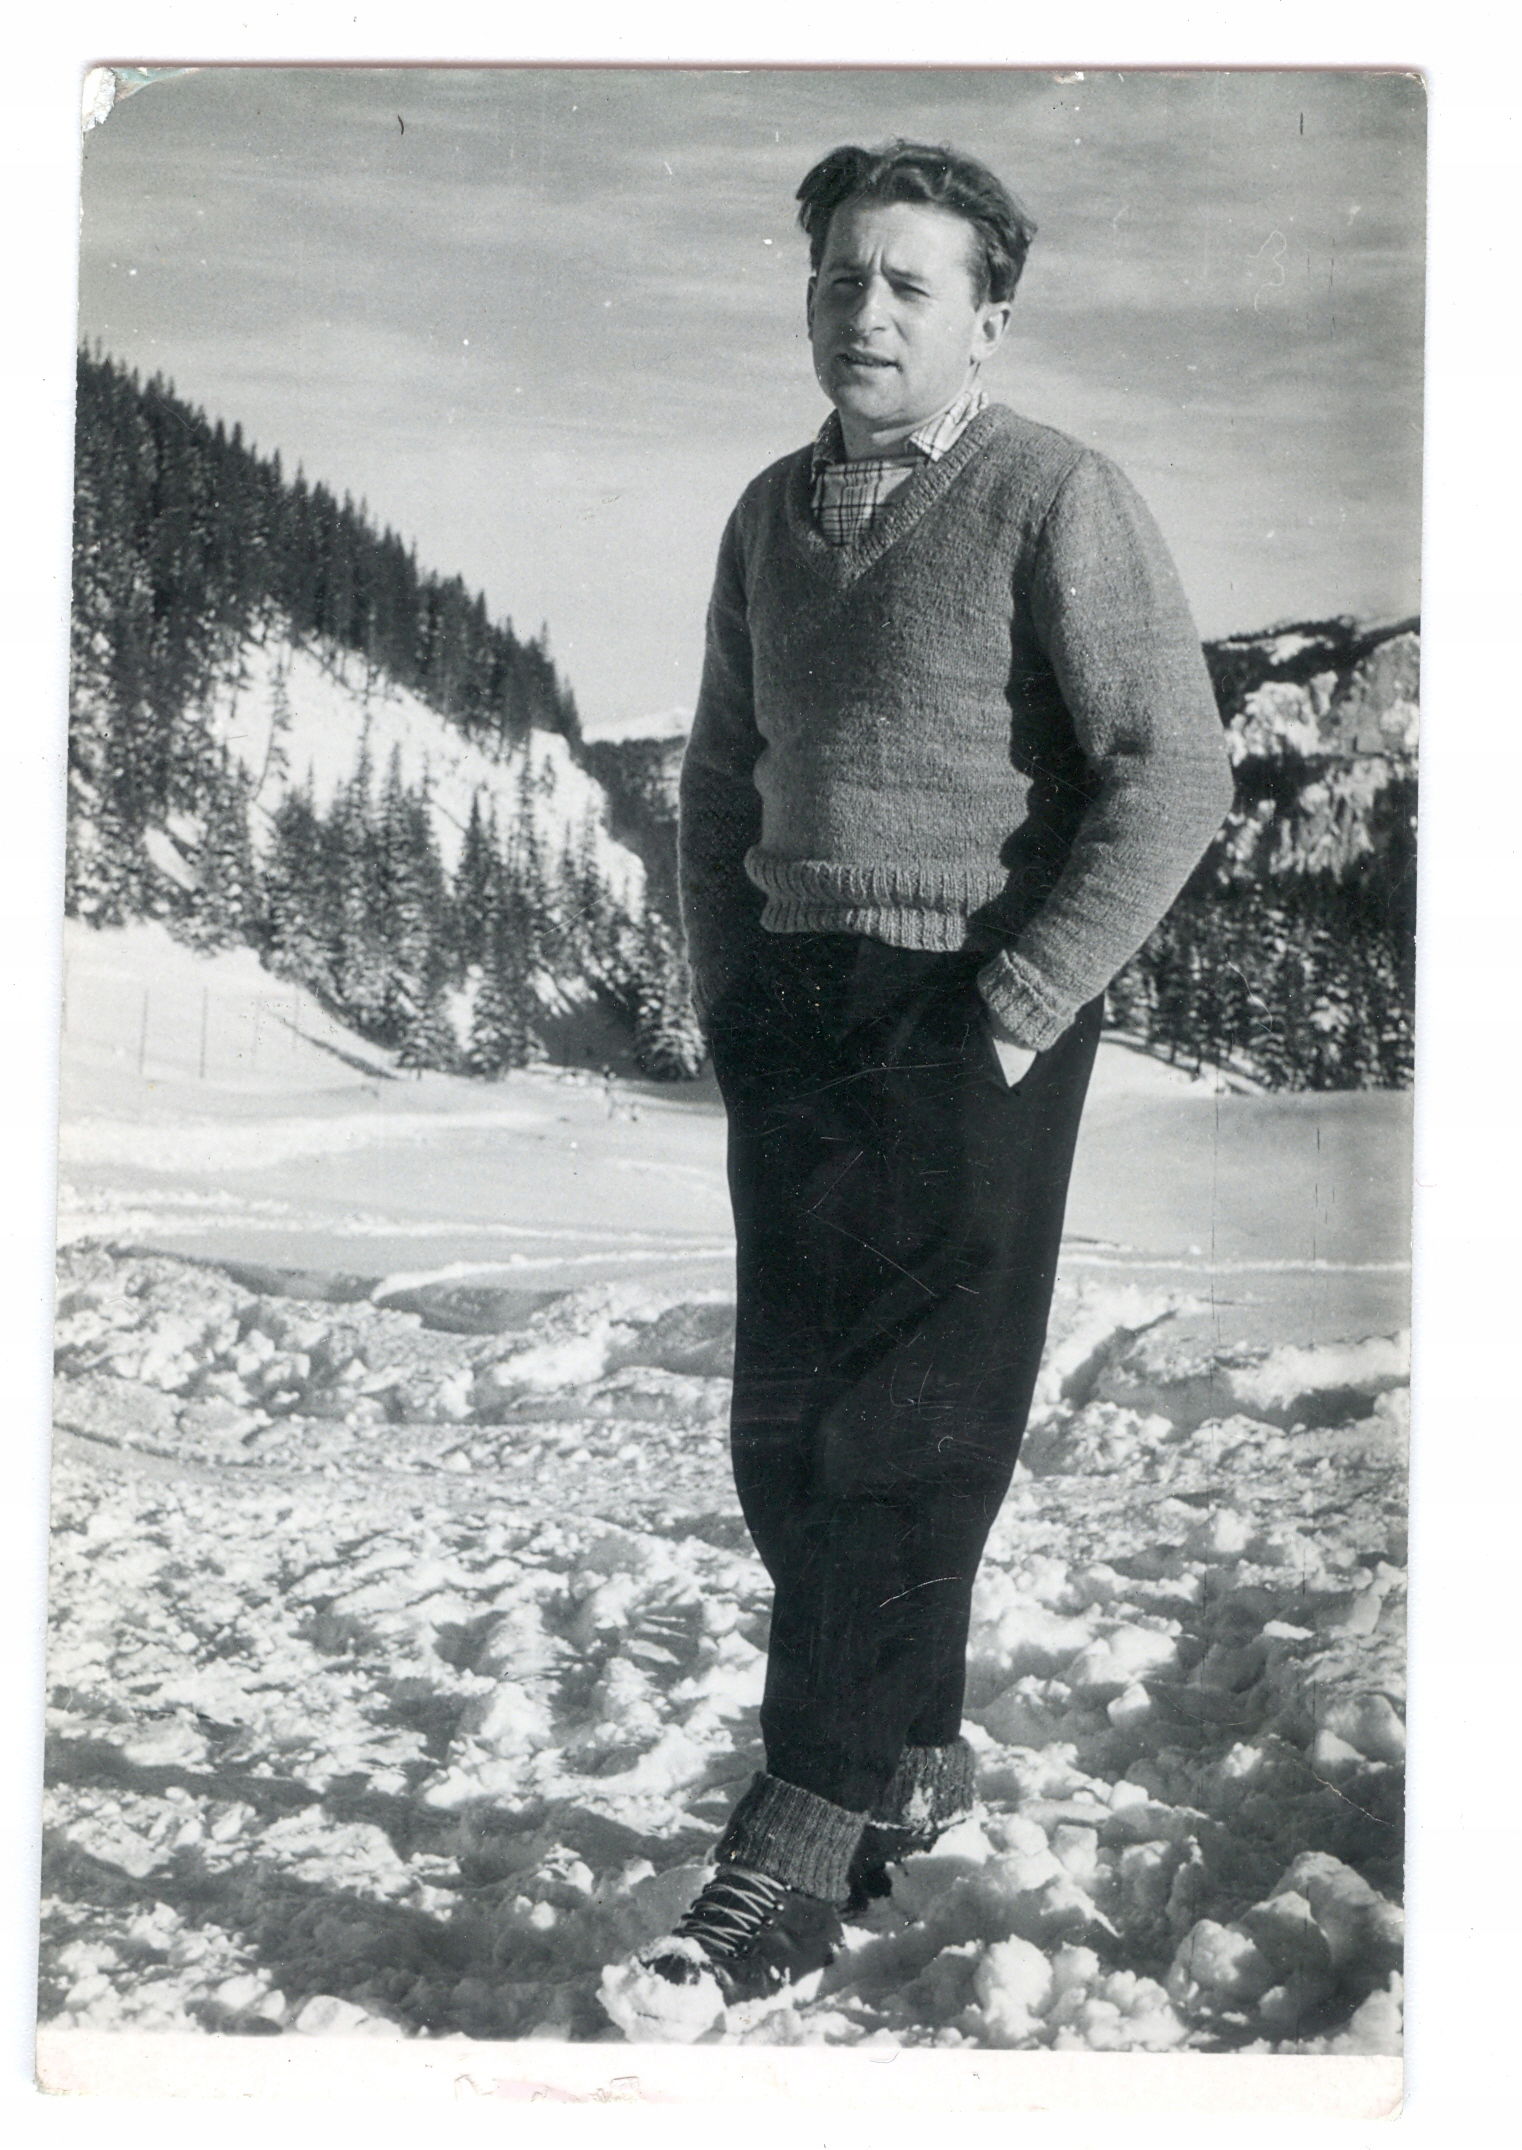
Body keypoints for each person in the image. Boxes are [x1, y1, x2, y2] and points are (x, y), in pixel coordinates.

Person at [600, 138, 1234, 2039]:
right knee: (787, 1434)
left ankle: (787, 1869)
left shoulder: (1054, 493)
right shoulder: (767, 513)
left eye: (907, 284)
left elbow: (1174, 770)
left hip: (969, 1011)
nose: (862, 313)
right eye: (837, 279)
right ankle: (909, 1759)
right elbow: (721, 780)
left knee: (895, 1437)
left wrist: (1022, 1000)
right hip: (798, 1011)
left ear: (986, 319)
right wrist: (729, 989)